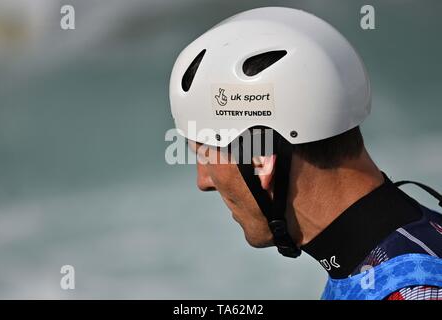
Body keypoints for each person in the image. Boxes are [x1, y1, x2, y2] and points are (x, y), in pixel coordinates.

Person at [168, 7, 442, 300]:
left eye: (205, 154)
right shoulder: (402, 254)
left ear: (261, 158)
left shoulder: (411, 292)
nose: (203, 180)